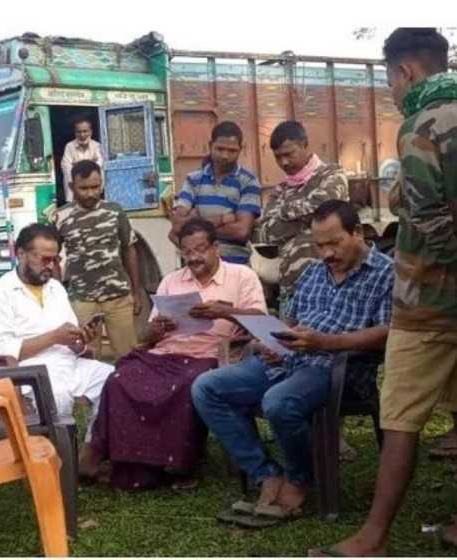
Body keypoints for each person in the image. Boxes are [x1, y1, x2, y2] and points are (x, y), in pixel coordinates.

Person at [319, 28, 457, 557]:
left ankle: (371, 537)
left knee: (398, 415)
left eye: (390, 82)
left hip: (429, 302)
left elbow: (432, 219)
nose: (393, 94)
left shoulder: (423, 123)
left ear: (405, 72)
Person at [194, 200, 393, 524]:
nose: (327, 253)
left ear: (357, 232)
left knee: (278, 401)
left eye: (334, 242)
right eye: (319, 246)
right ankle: (267, 474)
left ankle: (300, 479)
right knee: (207, 388)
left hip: (337, 367)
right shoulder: (313, 272)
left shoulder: (385, 272)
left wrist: (325, 343)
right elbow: (290, 323)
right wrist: (273, 341)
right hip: (289, 360)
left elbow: (387, 333)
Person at [84, 218, 267, 487]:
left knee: (185, 383)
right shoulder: (172, 280)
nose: (194, 258)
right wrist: (158, 328)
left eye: (200, 249)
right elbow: (147, 337)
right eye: (187, 252)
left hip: (210, 352)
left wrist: (224, 312)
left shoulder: (242, 276)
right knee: (119, 379)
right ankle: (131, 462)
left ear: (216, 247)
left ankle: (176, 463)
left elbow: (261, 320)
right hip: (166, 351)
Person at [0, 223, 113, 473]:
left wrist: (80, 340)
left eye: (55, 259)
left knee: (114, 380)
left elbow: (68, 337)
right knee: (56, 394)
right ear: (20, 253)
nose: (51, 266)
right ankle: (54, 466)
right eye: (44, 259)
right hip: (22, 373)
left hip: (66, 363)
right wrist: (54, 337)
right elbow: (4, 352)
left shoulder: (56, 288)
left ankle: (88, 453)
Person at [53, 159, 143, 361]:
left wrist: (136, 292)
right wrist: (59, 296)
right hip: (81, 300)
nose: (91, 193)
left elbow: (129, 250)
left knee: (128, 358)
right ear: (71, 187)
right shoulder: (60, 217)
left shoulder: (115, 211)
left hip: (118, 296)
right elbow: (52, 259)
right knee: (86, 359)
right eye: (83, 188)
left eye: (95, 187)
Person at [256, 120, 348, 308]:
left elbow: (326, 209)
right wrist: (307, 219)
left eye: (289, 154)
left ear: (305, 145)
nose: (284, 162)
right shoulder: (281, 189)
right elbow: (266, 232)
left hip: (330, 285)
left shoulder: (332, 174)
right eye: (278, 157)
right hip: (291, 292)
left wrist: (284, 212)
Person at [169, 121, 262, 265]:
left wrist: (196, 227)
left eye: (232, 151)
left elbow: (241, 231)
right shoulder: (193, 179)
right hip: (196, 265)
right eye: (220, 149)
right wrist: (221, 219)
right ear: (210, 145)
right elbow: (177, 226)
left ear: (240, 149)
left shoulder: (248, 182)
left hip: (234, 265)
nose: (225, 155)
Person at [60, 116, 104, 201]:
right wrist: (90, 162)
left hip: (92, 181)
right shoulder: (69, 146)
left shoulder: (97, 146)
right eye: (79, 132)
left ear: (90, 132)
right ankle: (72, 204)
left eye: (85, 131)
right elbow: (66, 167)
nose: (82, 135)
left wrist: (77, 164)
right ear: (75, 133)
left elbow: (99, 164)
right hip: (76, 182)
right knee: (68, 175)